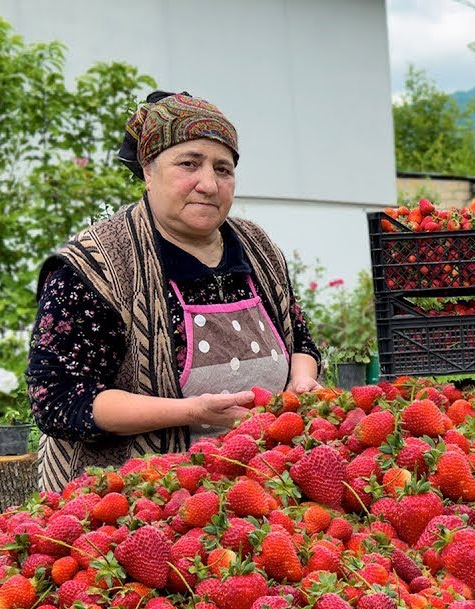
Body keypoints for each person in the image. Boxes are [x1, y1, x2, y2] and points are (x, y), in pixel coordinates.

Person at [26, 91, 323, 493]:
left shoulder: (258, 248)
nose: (208, 184)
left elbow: (299, 339)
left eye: (223, 169)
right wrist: (191, 411)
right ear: (148, 171)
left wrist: (301, 382)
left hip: (257, 489)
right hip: (130, 502)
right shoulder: (97, 266)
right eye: (189, 164)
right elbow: (58, 399)